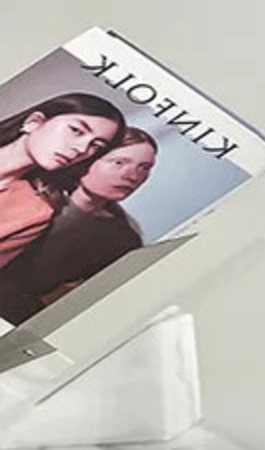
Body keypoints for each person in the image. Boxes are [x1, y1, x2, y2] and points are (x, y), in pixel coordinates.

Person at [0, 126, 154, 324]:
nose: (132, 176)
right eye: (119, 162)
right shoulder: (28, 191)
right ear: (88, 160)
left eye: (144, 168)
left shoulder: (123, 239)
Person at [0, 93, 125, 270]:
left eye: (96, 146)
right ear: (34, 122)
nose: (81, 149)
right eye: (76, 130)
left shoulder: (35, 214)